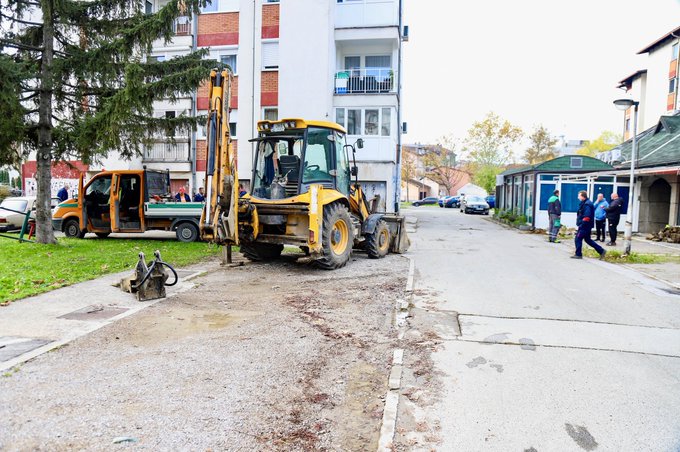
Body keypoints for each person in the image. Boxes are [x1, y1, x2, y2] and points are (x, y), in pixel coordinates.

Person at [573, 190, 606, 260]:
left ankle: (578, 254)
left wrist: (582, 224)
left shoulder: (587, 204)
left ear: (582, 196)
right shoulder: (584, 203)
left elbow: (587, 216)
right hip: (586, 225)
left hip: (585, 226)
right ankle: (601, 251)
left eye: (579, 196)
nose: (578, 197)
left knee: (578, 238)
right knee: (587, 240)